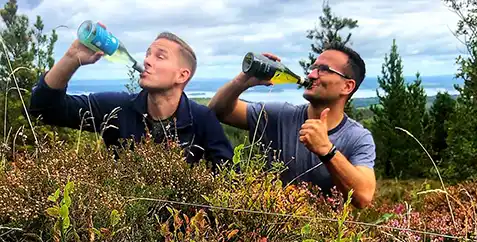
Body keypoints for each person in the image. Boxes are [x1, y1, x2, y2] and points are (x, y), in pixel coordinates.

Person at [208, 43, 376, 208]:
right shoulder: (280, 115)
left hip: (324, 233)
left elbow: (363, 197)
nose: (311, 75)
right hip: (272, 230)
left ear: (347, 86)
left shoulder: (358, 137)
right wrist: (242, 81)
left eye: (324, 70)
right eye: (313, 68)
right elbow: (218, 111)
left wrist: (327, 150)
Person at [29, 31, 233, 166]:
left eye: (159, 56)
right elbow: (45, 109)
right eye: (148, 54)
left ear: (182, 75)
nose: (147, 60)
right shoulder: (116, 108)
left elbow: (229, 180)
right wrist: (71, 58)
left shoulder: (202, 120)